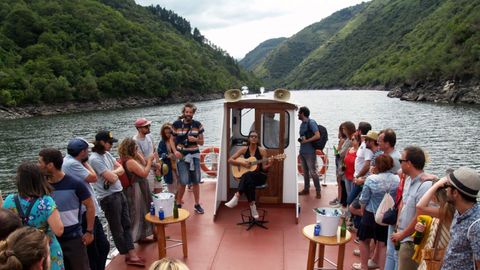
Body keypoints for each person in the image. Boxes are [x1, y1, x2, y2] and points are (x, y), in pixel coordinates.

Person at [89, 130, 145, 266]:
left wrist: (113, 173)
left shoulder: (106, 154)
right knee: (117, 228)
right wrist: (113, 174)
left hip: (118, 192)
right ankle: (128, 254)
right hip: (108, 197)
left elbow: (120, 170)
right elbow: (113, 177)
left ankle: (130, 254)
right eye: (109, 143)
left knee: (126, 223)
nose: (111, 146)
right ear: (101, 142)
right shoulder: (95, 159)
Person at [38, 148, 94, 270]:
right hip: (51, 240)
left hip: (73, 239)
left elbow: (90, 206)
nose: (38, 165)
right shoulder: (41, 186)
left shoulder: (75, 184)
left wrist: (89, 231)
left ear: (50, 165)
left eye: (40, 162)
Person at [2, 162, 64, 270]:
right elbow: (59, 230)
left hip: (20, 250)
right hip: (45, 249)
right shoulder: (46, 202)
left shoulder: (9, 200)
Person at [62, 138, 110, 270]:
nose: (88, 153)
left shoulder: (71, 161)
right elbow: (93, 178)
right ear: (82, 152)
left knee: (104, 246)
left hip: (90, 213)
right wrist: (86, 163)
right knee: (92, 251)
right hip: (84, 213)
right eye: (86, 151)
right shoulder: (72, 164)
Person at [352, 154, 400, 270]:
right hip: (387, 215)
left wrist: (363, 210)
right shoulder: (397, 179)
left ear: (377, 166)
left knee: (364, 240)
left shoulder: (371, 179)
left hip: (370, 213)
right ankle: (381, 266)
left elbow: (363, 199)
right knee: (382, 243)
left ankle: (364, 266)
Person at [390, 146, 433, 270]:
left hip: (410, 240)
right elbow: (403, 204)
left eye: (401, 161)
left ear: (408, 163)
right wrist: (398, 228)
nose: (400, 164)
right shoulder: (408, 180)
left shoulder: (425, 186)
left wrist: (403, 234)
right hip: (401, 235)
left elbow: (420, 215)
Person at [436, 167, 480, 269]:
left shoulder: (476, 226)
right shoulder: (458, 213)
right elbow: (451, 249)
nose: (446, 189)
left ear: (455, 193)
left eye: (448, 186)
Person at [225, 130, 272, 219]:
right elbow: (230, 160)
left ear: (257, 139)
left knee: (246, 176)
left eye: (256, 137)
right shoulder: (244, 149)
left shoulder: (262, 151)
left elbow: (264, 168)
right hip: (249, 177)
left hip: (260, 176)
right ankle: (253, 207)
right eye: (252, 136)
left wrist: (270, 164)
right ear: (249, 139)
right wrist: (242, 164)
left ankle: (237, 195)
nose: (254, 138)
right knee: (248, 178)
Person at [118, 137, 154, 242]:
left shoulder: (130, 159)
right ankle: (133, 239)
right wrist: (150, 161)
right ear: (131, 148)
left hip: (139, 188)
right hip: (136, 189)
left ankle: (141, 236)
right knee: (137, 212)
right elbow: (144, 172)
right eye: (135, 148)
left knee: (143, 210)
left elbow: (142, 164)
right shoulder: (130, 162)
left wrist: (138, 154)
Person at [171, 103, 205, 214]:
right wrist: (175, 151)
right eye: (187, 112)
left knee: (195, 181)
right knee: (183, 181)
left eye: (190, 112)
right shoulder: (176, 124)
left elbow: (202, 142)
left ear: (193, 113)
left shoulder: (198, 125)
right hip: (182, 157)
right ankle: (178, 203)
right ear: (183, 113)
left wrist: (195, 140)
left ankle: (197, 204)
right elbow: (171, 140)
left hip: (194, 156)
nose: (188, 114)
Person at [297, 106, 322, 199]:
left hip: (310, 152)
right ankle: (306, 189)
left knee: (313, 172)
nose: (297, 114)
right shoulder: (302, 124)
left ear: (303, 113)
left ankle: (318, 190)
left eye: (299, 113)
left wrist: (306, 141)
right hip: (303, 151)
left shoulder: (311, 122)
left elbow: (317, 135)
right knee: (305, 172)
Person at [134, 118, 161, 194]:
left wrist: (158, 166)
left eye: (149, 126)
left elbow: (155, 151)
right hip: (147, 170)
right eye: (146, 127)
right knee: (150, 193)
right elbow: (142, 159)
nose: (148, 128)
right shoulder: (135, 140)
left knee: (159, 190)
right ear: (139, 128)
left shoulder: (149, 136)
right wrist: (156, 165)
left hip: (155, 168)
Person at [157, 123, 178, 194]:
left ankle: (178, 197)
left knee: (179, 181)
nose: (168, 134)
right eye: (166, 133)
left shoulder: (176, 141)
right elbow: (160, 153)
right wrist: (167, 155)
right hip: (168, 166)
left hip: (177, 164)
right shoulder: (162, 143)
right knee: (171, 183)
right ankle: (173, 197)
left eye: (169, 132)